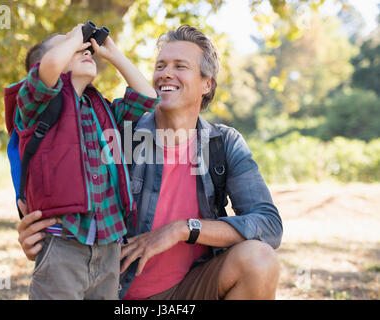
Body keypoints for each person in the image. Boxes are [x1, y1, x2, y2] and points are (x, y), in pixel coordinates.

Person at [17, 25, 282, 300]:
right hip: (115, 292)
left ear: (207, 84)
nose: (166, 73)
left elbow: (268, 224)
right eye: (160, 65)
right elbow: (55, 164)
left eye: (180, 66)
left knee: (259, 259)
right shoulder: (116, 129)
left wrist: (182, 229)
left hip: (189, 290)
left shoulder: (223, 144)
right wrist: (46, 235)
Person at [6, 23, 159, 299]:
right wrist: (75, 35)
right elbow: (50, 66)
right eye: (71, 46)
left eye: (85, 46)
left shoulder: (103, 110)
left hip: (109, 245)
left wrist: (113, 54)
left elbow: (147, 97)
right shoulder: (35, 105)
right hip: (63, 244)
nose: (83, 47)